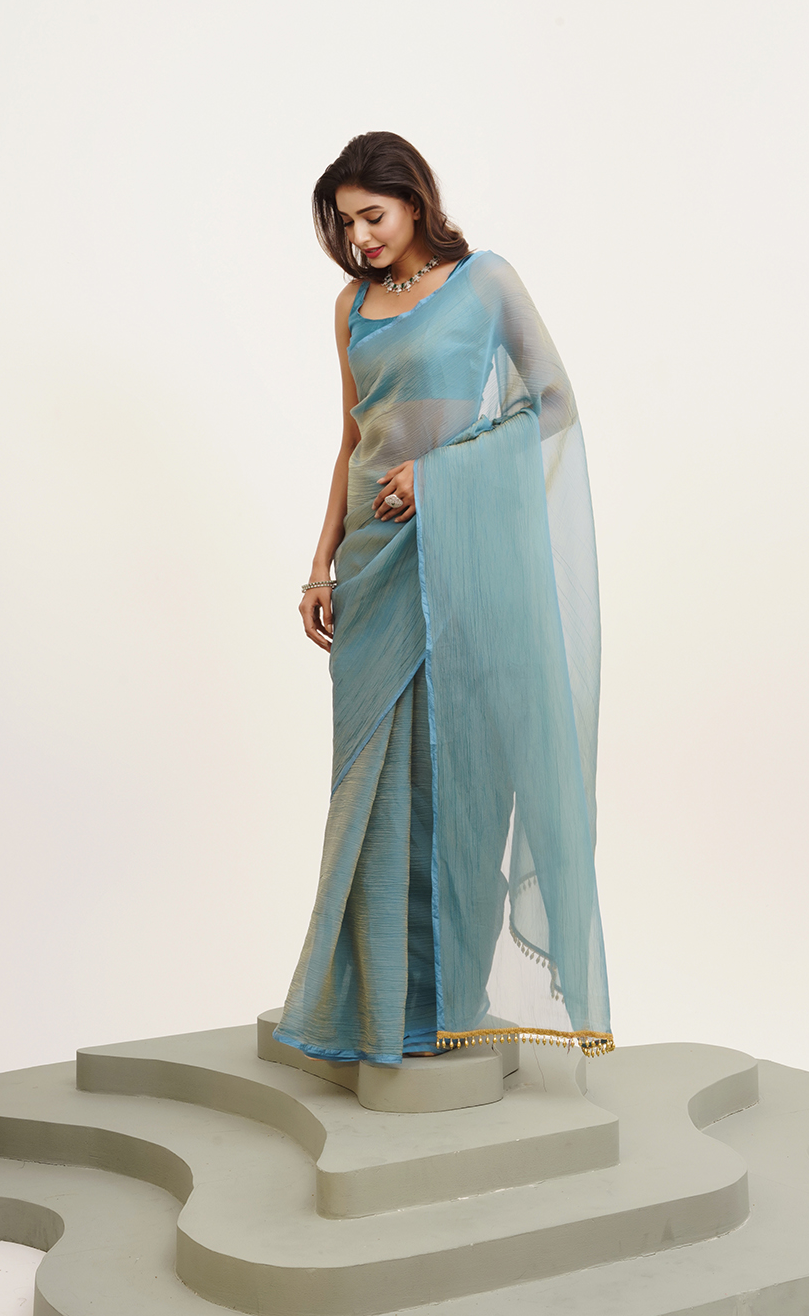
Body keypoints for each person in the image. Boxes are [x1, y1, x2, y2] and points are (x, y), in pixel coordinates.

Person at [273, 132, 613, 1065]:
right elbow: (353, 442)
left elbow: (554, 403)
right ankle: (375, 1009)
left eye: (372, 216)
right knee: (370, 794)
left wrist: (441, 474)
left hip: (464, 560)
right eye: (345, 223)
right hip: (373, 562)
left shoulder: (485, 281)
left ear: (415, 202)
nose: (360, 238)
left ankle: (447, 1003)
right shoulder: (350, 306)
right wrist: (320, 564)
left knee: (461, 776)